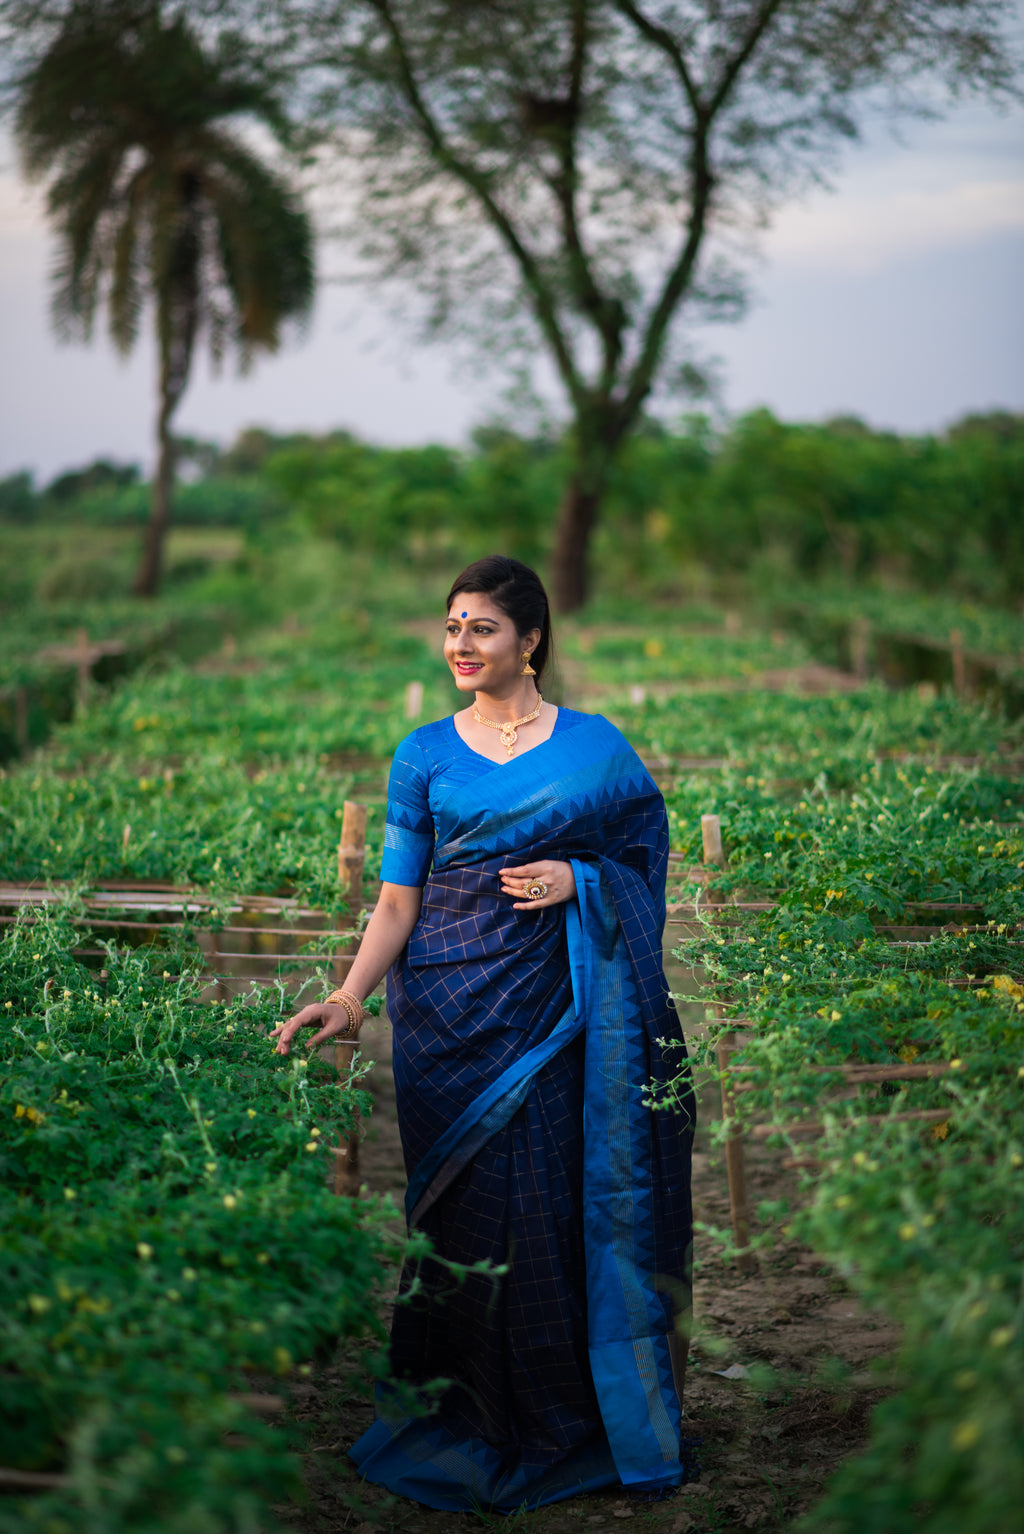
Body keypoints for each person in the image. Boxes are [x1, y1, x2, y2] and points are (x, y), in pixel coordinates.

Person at [273, 555, 695, 1512]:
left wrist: (579, 880)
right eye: (452, 626)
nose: (460, 644)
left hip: (558, 1009)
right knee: (458, 1217)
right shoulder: (423, 753)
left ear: (530, 638)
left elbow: (641, 862)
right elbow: (397, 901)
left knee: (551, 1204)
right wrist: (349, 999)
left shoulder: (596, 749)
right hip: (447, 1016)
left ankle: (563, 1419)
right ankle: (459, 1414)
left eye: (482, 628)